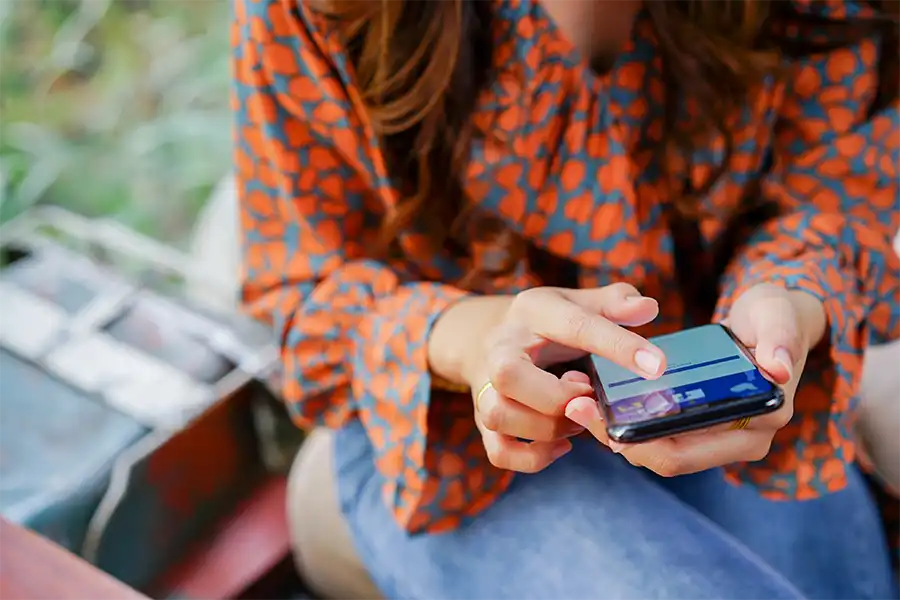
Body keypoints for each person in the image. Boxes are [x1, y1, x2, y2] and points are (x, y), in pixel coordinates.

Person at [232, 0, 900, 598]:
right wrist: (474, 340)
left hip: (707, 370)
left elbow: (834, 193)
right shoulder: (314, 14)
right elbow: (306, 300)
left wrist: (791, 295)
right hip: (437, 431)